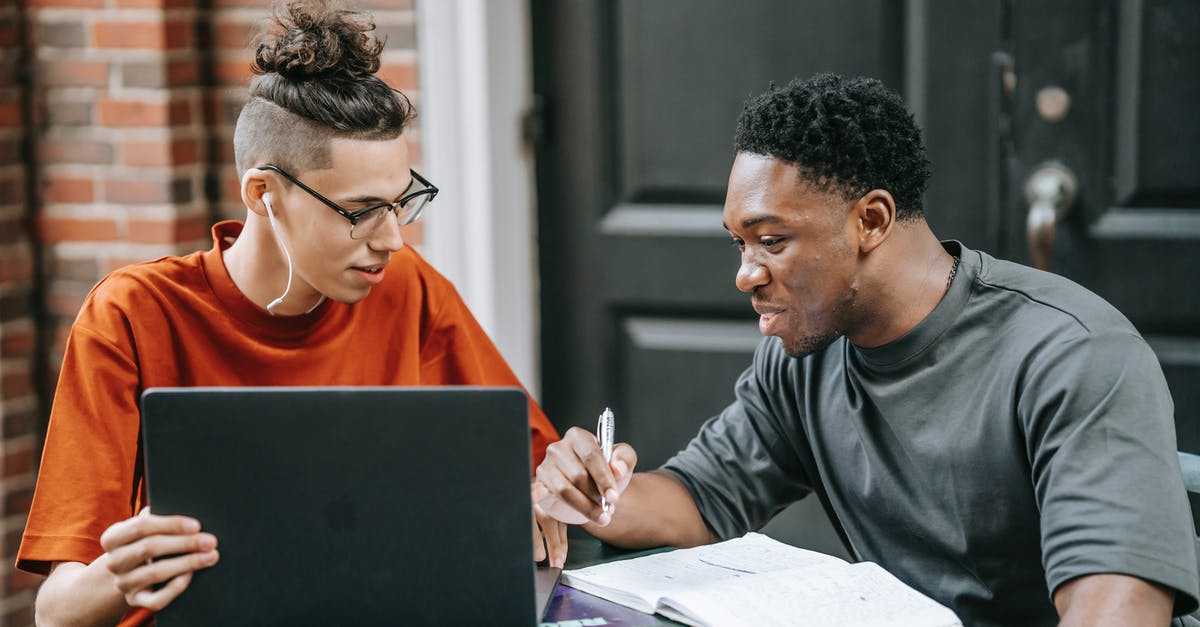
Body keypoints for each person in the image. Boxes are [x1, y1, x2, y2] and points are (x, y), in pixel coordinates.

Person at [532, 73, 1199, 626]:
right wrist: (597, 496)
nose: (746, 273)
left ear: (872, 220)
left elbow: (1117, 611)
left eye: (772, 240)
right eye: (740, 243)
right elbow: (702, 498)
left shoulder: (1072, 355)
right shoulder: (805, 355)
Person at [18, 2, 559, 625]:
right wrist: (122, 572)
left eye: (402, 201)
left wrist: (553, 490)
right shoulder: (133, 314)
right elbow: (55, 613)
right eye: (361, 211)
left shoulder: (406, 287)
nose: (393, 240)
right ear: (262, 193)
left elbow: (535, 473)